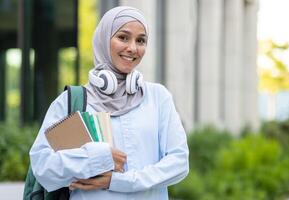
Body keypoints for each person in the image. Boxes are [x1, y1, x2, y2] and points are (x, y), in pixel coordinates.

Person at [30, 6, 189, 200]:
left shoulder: (158, 97)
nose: (132, 48)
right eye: (123, 37)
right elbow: (43, 168)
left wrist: (117, 181)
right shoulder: (72, 101)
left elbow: (179, 162)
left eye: (141, 40)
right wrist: (98, 158)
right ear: (104, 40)